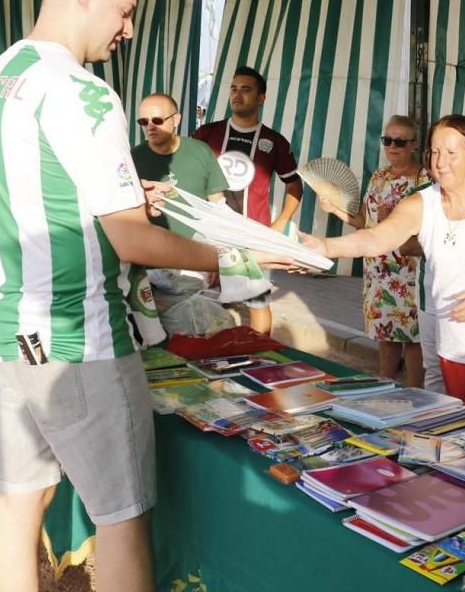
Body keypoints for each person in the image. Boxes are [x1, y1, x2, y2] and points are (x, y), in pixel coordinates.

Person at [0, 0, 296, 592]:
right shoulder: (82, 92)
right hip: (78, 336)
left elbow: (39, 198)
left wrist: (119, 199)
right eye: (125, 8)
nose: (128, 27)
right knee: (122, 519)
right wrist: (236, 253)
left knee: (18, 502)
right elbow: (134, 243)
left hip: (7, 327)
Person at [303, 114, 465, 410]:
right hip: (451, 346)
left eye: (451, 153)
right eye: (434, 151)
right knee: (455, 421)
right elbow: (375, 238)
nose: (440, 161)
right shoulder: (424, 201)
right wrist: (323, 246)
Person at [319, 114, 431, 388]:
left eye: (399, 142)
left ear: (414, 144)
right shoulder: (379, 177)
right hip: (380, 272)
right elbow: (364, 222)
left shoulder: (425, 179)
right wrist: (334, 208)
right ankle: (384, 389)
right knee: (386, 336)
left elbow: (431, 228)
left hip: (409, 271)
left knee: (414, 339)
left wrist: (394, 219)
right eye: (387, 140)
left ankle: (416, 394)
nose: (392, 146)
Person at [193, 67, 303, 335]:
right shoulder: (207, 134)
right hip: (211, 232)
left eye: (246, 89)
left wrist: (280, 223)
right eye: (233, 88)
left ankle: (260, 357)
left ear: (261, 98)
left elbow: (294, 184)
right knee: (199, 298)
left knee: (257, 302)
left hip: (252, 235)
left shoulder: (274, 142)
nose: (237, 95)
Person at [130, 92, 227, 235]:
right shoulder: (132, 158)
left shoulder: (201, 151)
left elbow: (218, 205)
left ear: (176, 120)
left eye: (157, 120)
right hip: (150, 251)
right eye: (144, 122)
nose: (150, 127)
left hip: (196, 250)